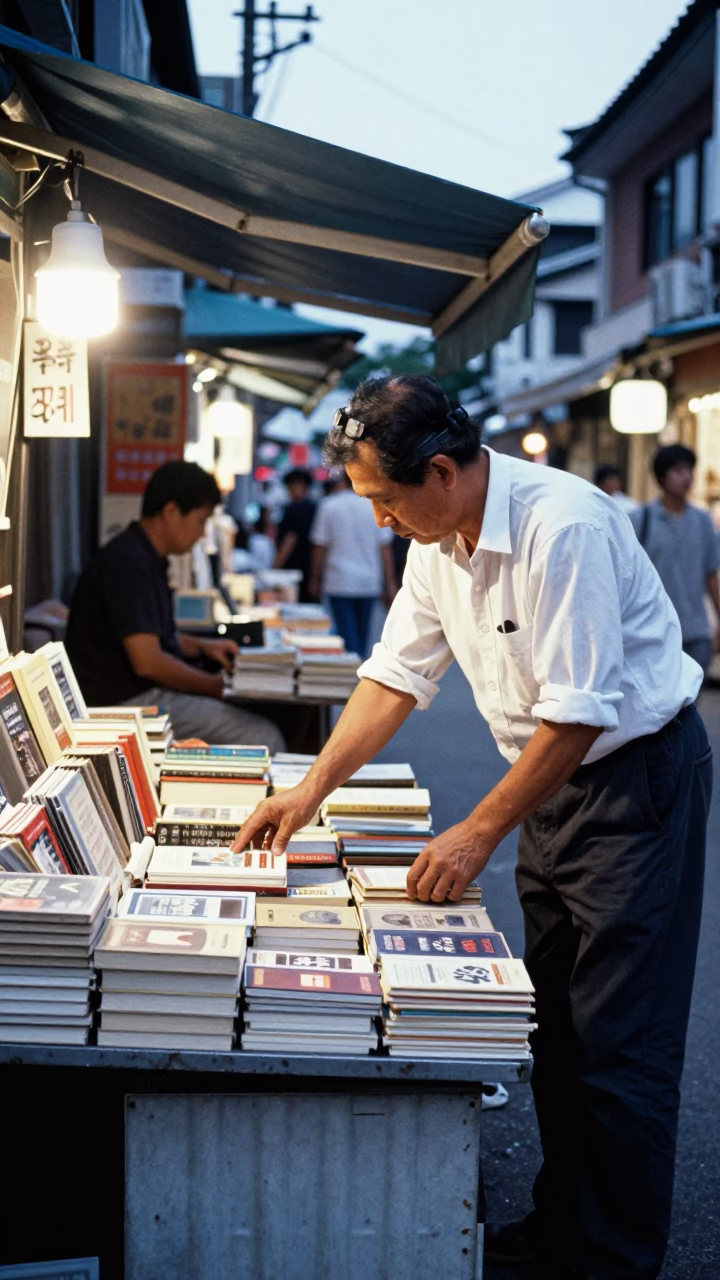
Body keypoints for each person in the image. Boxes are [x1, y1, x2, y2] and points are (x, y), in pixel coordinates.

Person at [233, 374, 711, 1280]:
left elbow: (578, 714)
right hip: (549, 781)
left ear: (443, 470)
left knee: (621, 1038)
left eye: (383, 498)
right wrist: (310, 793)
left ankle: (615, 1255)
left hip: (631, 779)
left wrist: (476, 833)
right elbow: (394, 677)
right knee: (557, 1024)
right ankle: (566, 1217)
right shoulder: (436, 538)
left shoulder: (559, 525)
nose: (376, 519)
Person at [66, 461, 284, 752]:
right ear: (171, 512)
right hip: (124, 703)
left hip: (134, 695)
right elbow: (148, 661)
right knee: (264, 736)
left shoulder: (140, 555)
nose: (202, 534)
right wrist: (213, 686)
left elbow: (148, 633)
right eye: (200, 521)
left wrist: (204, 646)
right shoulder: (130, 564)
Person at [630, 443, 720, 677]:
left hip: (696, 631)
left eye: (689, 469)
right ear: (662, 477)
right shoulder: (642, 519)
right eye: (678, 470)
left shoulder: (702, 521)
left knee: (691, 706)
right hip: (654, 630)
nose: (686, 477)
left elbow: (711, 574)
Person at [308, 470, 397, 658]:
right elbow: (385, 549)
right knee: (363, 633)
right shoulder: (376, 505)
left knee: (344, 633)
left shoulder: (329, 505)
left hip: (338, 580)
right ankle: (356, 666)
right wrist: (389, 585)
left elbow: (319, 547)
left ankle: (349, 669)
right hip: (369, 581)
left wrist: (314, 580)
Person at [273, 468, 316, 601]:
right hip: (309, 567)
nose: (291, 490)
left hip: (293, 569)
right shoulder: (315, 507)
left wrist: (275, 566)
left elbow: (290, 539)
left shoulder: (294, 509)